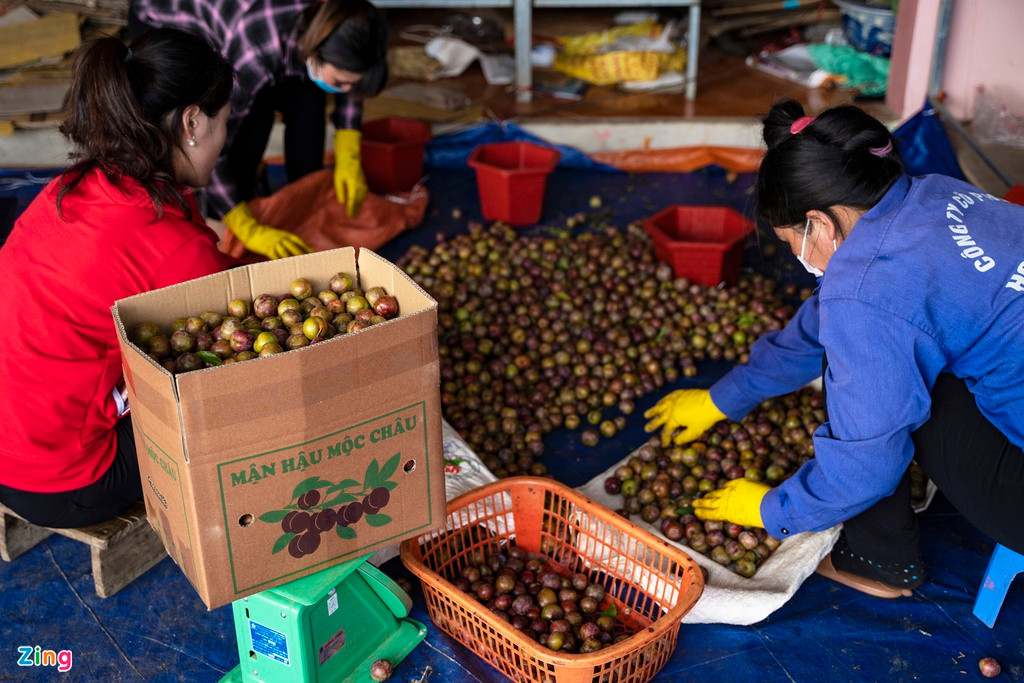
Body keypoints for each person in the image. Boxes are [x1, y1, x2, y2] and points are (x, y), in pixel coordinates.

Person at [645, 99, 1024, 598]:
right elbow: (837, 314)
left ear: (819, 224)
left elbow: (865, 467)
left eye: (789, 243)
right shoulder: (935, 194)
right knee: (878, 351)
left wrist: (770, 509)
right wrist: (725, 397)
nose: (798, 258)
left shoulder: (867, 296)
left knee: (875, 394)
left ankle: (877, 565)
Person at [0, 29, 236, 528]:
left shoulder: (73, 186)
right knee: (230, 391)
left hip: (11, 447)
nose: (224, 140)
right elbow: (235, 321)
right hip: (69, 483)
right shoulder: (178, 252)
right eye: (223, 123)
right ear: (192, 121)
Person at [128, 0, 390, 259]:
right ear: (314, 52)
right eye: (341, 82)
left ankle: (302, 209)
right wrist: (246, 226)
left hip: (257, 30)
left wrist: (349, 153)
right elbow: (208, 142)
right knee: (250, 126)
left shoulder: (336, 18)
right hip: (167, 22)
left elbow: (352, 79)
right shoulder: (253, 52)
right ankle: (227, 214)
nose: (345, 92)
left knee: (309, 104)